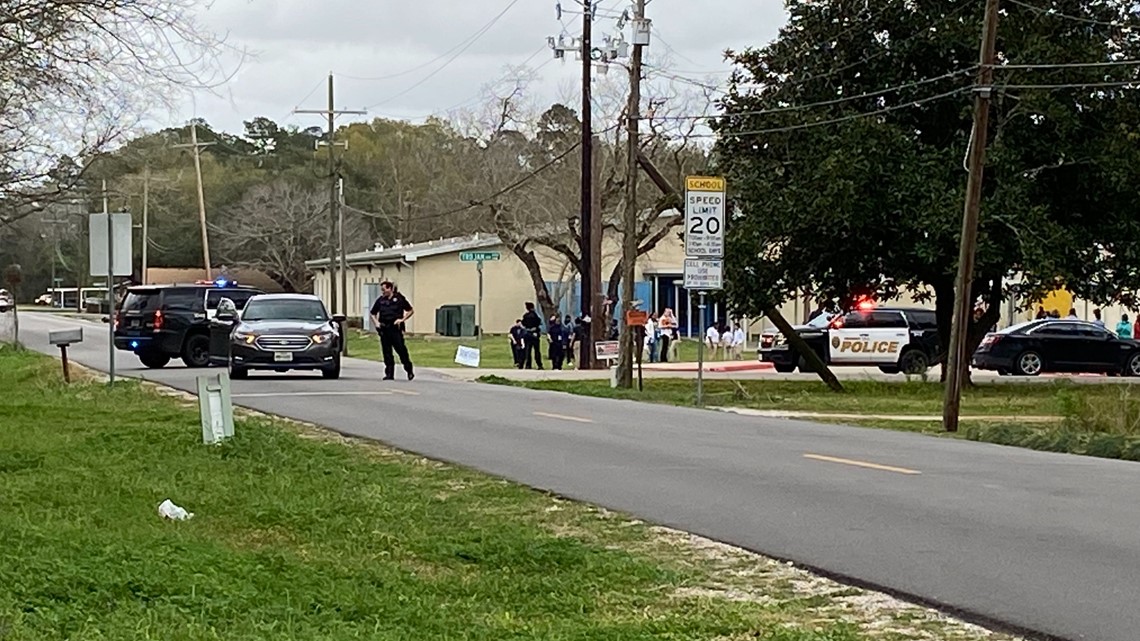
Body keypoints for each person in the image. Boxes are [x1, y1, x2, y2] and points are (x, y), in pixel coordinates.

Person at [368, 281, 415, 381]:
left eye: (384, 289)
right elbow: (372, 313)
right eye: (382, 290)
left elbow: (410, 310)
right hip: (384, 329)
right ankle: (389, 374)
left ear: (390, 289)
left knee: (401, 351)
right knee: (387, 352)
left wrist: (402, 320)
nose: (383, 292)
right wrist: (376, 323)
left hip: (395, 329)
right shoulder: (381, 300)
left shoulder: (399, 299)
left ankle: (409, 370)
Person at [521, 302, 543, 369]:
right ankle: (539, 364)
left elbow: (523, 323)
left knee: (528, 350)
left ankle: (528, 365)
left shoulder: (525, 316)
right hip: (534, 334)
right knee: (537, 350)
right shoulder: (535, 316)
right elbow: (539, 322)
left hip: (527, 334)